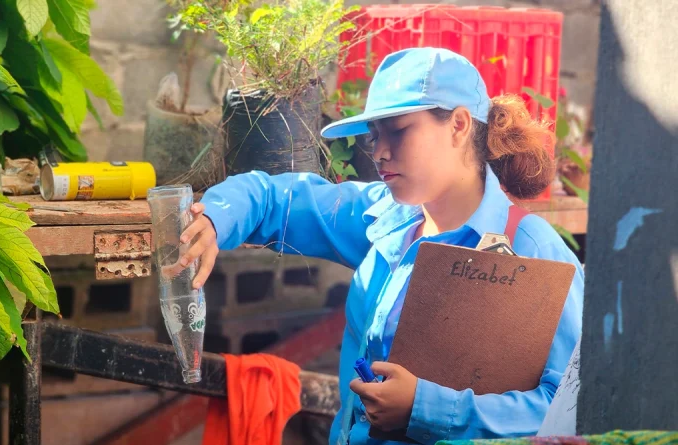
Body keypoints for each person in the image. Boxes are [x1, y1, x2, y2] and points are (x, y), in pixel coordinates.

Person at [176, 47, 584, 444]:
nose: (380, 152)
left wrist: (425, 407)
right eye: (374, 136)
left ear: (459, 125)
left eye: (399, 130)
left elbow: (572, 406)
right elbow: (272, 198)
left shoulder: (535, 252)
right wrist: (216, 217)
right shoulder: (384, 219)